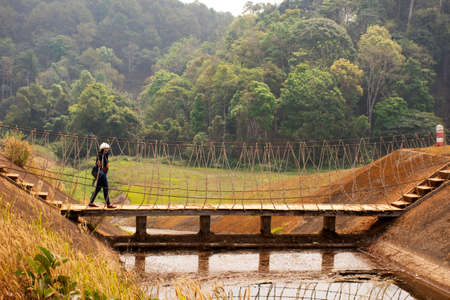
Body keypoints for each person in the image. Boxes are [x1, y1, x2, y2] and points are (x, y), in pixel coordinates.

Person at [89, 143, 116, 208]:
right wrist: (102, 167)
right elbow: (98, 164)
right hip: (100, 172)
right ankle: (108, 204)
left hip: (102, 172)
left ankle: (91, 202)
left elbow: (106, 165)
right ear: (103, 149)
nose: (107, 149)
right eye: (106, 148)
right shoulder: (100, 154)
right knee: (105, 187)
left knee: (98, 188)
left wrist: (106, 167)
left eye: (107, 148)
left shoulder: (106, 155)